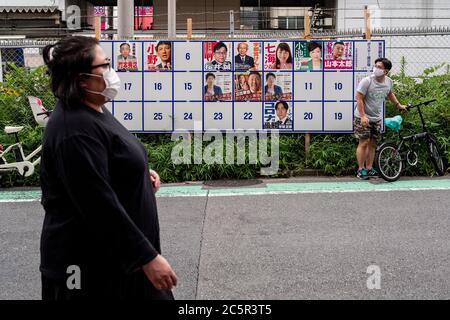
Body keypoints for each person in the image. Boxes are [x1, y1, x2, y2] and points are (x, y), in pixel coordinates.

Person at [40, 36, 177, 300]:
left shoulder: (94, 109)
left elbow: (104, 166)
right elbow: (96, 204)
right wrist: (147, 257)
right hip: (90, 269)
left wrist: (138, 176)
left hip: (119, 260)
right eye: (104, 65)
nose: (111, 72)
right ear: (82, 79)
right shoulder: (74, 131)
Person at [354, 57, 407, 180]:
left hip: (377, 118)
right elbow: (359, 98)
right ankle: (360, 170)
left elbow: (390, 93)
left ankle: (369, 168)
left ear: (386, 71)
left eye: (379, 67)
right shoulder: (367, 81)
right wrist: (362, 116)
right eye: (376, 66)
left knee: (373, 143)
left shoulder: (388, 82)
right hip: (362, 117)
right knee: (364, 142)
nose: (376, 69)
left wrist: (398, 105)